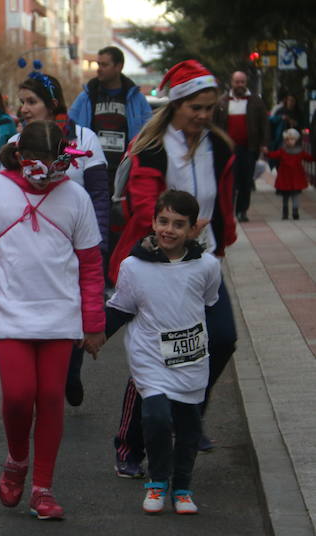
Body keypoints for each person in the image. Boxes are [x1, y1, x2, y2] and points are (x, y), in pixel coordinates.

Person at [0, 120, 106, 519]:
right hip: (10, 314)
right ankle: (17, 460)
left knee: (50, 399)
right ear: (19, 157)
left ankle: (42, 488)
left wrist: (94, 322)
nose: (47, 170)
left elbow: (90, 265)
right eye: (38, 161)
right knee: (18, 397)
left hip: (59, 316)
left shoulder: (76, 197)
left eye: (55, 161)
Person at [109, 60, 237, 476]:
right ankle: (129, 445)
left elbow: (224, 200)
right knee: (155, 359)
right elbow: (146, 205)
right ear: (177, 104)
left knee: (220, 339)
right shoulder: (153, 148)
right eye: (196, 107)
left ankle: (188, 416)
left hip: (202, 262)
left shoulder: (219, 146)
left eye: (209, 108)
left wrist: (222, 239)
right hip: (158, 263)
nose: (203, 115)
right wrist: (172, 236)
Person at [106, 190, 221, 515]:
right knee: (156, 418)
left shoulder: (207, 266)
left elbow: (209, 302)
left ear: (192, 229)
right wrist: (93, 336)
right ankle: (157, 481)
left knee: (188, 429)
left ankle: (182, 487)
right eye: (163, 221)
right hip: (150, 359)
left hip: (191, 361)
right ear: (153, 222)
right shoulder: (133, 266)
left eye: (179, 224)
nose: (169, 230)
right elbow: (121, 306)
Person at [9, 71, 109, 407]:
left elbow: (98, 195)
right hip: (33, 248)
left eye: (31, 102)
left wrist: (100, 241)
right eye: (21, 102)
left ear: (52, 105)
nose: (24, 109)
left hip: (76, 242)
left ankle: (70, 369)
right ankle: (43, 375)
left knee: (75, 308)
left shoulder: (84, 139)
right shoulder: (14, 145)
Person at [68, 46, 153, 192]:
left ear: (119, 66)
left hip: (125, 172)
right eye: (98, 64)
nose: (99, 69)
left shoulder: (136, 98)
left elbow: (149, 130)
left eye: (104, 65)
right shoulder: (86, 96)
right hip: (93, 168)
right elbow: (69, 126)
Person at [213, 71, 269, 223]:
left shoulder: (256, 102)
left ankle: (242, 210)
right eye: (237, 82)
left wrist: (264, 144)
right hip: (228, 150)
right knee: (230, 181)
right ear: (231, 82)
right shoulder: (222, 102)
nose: (239, 85)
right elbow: (215, 125)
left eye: (242, 82)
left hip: (249, 148)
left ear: (246, 83)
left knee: (246, 181)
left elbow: (264, 124)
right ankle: (229, 211)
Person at [264, 128, 313, 220]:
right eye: (287, 139)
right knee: (285, 196)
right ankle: (285, 212)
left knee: (296, 195)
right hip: (286, 177)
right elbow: (273, 155)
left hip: (296, 177)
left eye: (292, 139)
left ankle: (295, 211)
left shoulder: (300, 152)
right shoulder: (283, 151)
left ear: (296, 140)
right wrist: (267, 153)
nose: (289, 141)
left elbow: (308, 158)